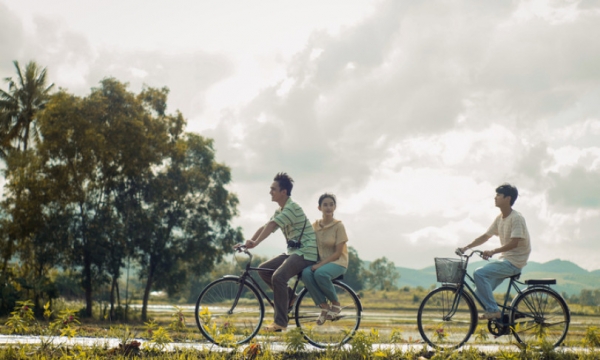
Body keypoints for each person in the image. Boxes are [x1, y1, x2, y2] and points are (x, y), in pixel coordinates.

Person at [235, 172, 318, 332]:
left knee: (278, 277)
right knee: (263, 270)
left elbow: (272, 226)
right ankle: (291, 298)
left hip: (306, 252)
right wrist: (250, 242)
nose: (270, 192)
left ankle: (280, 322)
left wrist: (256, 242)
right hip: (293, 251)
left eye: (273, 189)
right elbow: (267, 225)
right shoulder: (281, 210)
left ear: (283, 192)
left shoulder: (292, 208)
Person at [460, 183, 531, 320]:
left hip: (515, 262)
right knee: (478, 292)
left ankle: (493, 311)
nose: (495, 197)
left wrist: (493, 251)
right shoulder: (500, 218)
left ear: (508, 198)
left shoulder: (516, 218)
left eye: (498, 195)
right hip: (505, 260)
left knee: (479, 273)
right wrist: (466, 247)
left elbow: (514, 242)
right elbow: (486, 236)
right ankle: (501, 319)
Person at [301, 193, 349, 325]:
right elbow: (307, 242)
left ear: (335, 207)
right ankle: (324, 306)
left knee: (320, 273)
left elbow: (338, 253)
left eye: (331, 204)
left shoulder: (339, 226)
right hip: (320, 263)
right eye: (325, 205)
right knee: (305, 273)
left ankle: (336, 304)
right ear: (319, 208)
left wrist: (319, 265)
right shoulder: (314, 226)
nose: (328, 207)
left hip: (338, 262)